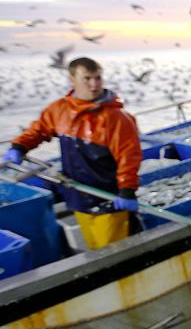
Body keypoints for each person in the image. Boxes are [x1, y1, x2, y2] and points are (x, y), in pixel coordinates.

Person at [3, 57, 142, 250]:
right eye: (87, 78)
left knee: (113, 251)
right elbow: (39, 130)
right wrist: (19, 146)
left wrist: (127, 190)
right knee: (94, 247)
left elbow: (129, 156)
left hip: (108, 198)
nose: (94, 85)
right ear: (72, 80)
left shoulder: (116, 118)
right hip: (78, 195)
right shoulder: (60, 109)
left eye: (98, 78)